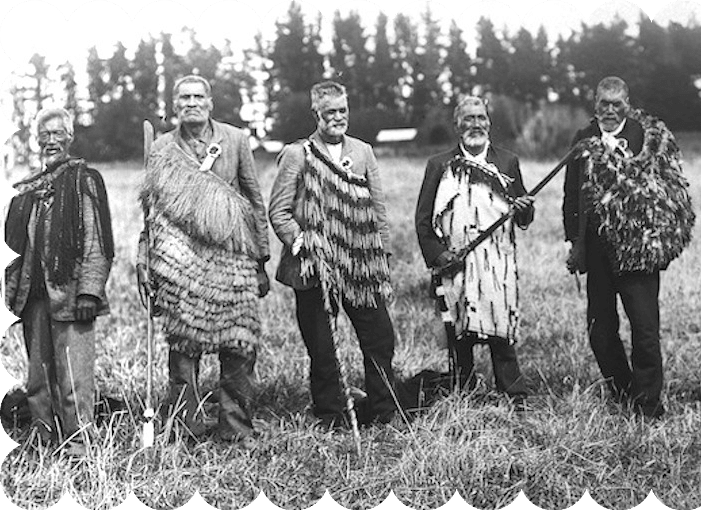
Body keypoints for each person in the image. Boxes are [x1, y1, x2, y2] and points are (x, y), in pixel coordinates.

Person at [137, 75, 270, 441]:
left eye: (198, 96)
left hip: (231, 256)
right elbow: (151, 211)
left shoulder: (236, 140)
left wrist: (261, 259)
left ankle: (235, 427)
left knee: (239, 343)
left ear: (210, 102)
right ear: (175, 105)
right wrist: (144, 257)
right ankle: (185, 427)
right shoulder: (162, 148)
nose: (191, 102)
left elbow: (254, 199)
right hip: (180, 260)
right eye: (184, 98)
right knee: (183, 345)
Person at [562, 77, 695, 419]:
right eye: (603, 103)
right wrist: (574, 242)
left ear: (627, 104)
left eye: (616, 104)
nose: (609, 110)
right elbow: (570, 195)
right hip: (596, 250)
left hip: (638, 253)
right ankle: (624, 392)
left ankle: (649, 405)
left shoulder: (647, 136)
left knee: (644, 328)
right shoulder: (583, 139)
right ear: (594, 102)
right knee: (600, 331)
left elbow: (669, 188)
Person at [268, 80, 397, 428]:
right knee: (323, 347)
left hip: (360, 265)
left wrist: (382, 256)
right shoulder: (298, 154)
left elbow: (378, 210)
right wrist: (304, 242)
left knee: (381, 336)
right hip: (313, 268)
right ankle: (331, 414)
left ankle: (385, 411)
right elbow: (278, 211)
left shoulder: (363, 151)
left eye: (343, 111)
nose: (338, 118)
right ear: (316, 114)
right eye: (330, 113)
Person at [4, 107, 114, 450]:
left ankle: (80, 444)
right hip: (31, 296)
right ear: (36, 140)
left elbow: (98, 241)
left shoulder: (85, 181)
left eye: (58, 134)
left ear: (70, 137)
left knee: (74, 377)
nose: (51, 141)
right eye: (45, 135)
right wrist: (11, 296)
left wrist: (90, 293)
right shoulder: (23, 190)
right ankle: (42, 438)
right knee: (37, 377)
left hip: (72, 297)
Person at [415, 96, 535, 403]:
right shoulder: (439, 165)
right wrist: (441, 258)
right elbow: (423, 221)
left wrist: (523, 209)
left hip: (497, 264)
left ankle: (513, 395)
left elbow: (522, 218)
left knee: (500, 328)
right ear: (457, 125)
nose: (476, 124)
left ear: (489, 122)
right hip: (456, 264)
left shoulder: (507, 162)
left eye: (481, 117)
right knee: (459, 331)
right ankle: (463, 393)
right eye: (468, 118)